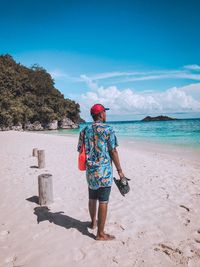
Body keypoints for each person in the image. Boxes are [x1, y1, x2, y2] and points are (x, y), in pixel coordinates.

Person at [77, 103, 126, 241]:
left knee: (92, 197)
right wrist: (120, 171)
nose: (106, 114)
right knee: (103, 201)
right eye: (105, 112)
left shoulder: (84, 130)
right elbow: (113, 151)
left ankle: (93, 223)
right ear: (101, 114)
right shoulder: (108, 129)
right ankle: (100, 234)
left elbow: (80, 149)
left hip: (91, 171)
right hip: (104, 171)